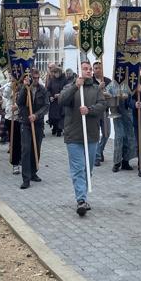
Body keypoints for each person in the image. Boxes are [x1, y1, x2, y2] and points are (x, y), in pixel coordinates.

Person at [58, 61, 107, 216]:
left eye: (90, 69)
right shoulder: (69, 87)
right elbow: (62, 100)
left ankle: (83, 196)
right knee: (78, 169)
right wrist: (75, 87)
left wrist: (89, 110)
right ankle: (81, 200)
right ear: (79, 70)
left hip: (91, 135)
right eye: (85, 69)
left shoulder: (96, 89)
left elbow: (102, 105)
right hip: (73, 135)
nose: (89, 71)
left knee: (87, 169)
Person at [15, 69, 49, 189]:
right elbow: (19, 102)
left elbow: (46, 106)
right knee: (26, 149)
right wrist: (25, 89)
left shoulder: (43, 90)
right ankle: (26, 178)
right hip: (26, 123)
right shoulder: (24, 88)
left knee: (36, 148)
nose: (36, 80)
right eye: (34, 78)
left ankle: (33, 172)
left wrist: (36, 115)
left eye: (37, 78)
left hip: (38, 123)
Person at [107, 75, 137, 171]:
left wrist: (128, 97)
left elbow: (135, 96)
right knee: (119, 137)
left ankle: (126, 161)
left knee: (129, 137)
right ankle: (117, 162)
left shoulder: (130, 83)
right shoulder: (112, 84)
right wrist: (109, 95)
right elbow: (105, 94)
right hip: (117, 113)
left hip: (128, 114)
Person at [92, 61, 112, 166]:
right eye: (95, 68)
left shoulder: (108, 81)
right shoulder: (90, 81)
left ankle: (99, 151)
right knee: (95, 134)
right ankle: (97, 156)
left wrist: (108, 94)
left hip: (105, 110)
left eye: (99, 68)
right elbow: (89, 95)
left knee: (106, 133)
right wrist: (98, 88)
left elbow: (113, 93)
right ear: (93, 69)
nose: (97, 70)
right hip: (95, 111)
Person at [2, 77, 23, 175]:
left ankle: (22, 159)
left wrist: (18, 106)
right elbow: (5, 95)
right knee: (15, 142)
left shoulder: (25, 84)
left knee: (24, 142)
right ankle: (15, 163)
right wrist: (11, 84)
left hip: (23, 117)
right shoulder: (10, 85)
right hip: (12, 117)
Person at [45, 63, 69, 136]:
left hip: (61, 101)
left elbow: (67, 89)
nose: (55, 74)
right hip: (53, 101)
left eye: (56, 72)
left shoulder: (64, 79)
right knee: (53, 116)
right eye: (54, 73)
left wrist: (60, 94)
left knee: (60, 116)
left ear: (60, 72)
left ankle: (59, 129)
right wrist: (50, 96)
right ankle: (54, 127)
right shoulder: (52, 80)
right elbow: (48, 89)